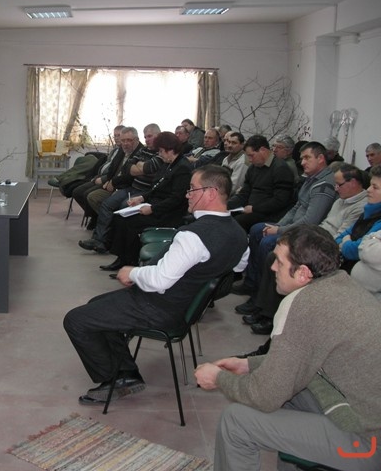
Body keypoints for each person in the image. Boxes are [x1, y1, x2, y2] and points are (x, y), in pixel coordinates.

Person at [195, 225, 381, 471]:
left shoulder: (303, 305)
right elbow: (302, 359)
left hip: (368, 443)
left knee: (236, 422)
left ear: (303, 273)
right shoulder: (341, 285)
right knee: (288, 394)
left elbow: (264, 395)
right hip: (363, 417)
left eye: (280, 262)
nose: (273, 267)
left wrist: (218, 378)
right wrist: (249, 364)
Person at [64, 165, 249, 405]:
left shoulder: (194, 236)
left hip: (160, 307)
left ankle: (115, 379)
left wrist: (133, 272)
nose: (187, 194)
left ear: (211, 193)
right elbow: (238, 268)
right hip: (186, 308)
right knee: (96, 306)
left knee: (76, 320)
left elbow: (160, 281)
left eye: (192, 189)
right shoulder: (239, 234)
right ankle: (126, 372)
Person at [236, 164, 369, 337]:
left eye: (339, 184)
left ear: (354, 183)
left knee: (274, 255)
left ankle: (268, 313)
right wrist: (282, 227)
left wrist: (299, 237)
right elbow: (322, 223)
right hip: (317, 237)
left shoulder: (359, 207)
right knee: (269, 249)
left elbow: (340, 236)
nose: (336, 189)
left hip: (325, 248)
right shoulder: (340, 200)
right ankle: (260, 302)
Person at [231, 141, 337, 334]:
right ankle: (252, 284)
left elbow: (310, 221)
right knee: (257, 229)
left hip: (308, 235)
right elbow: (296, 208)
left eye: (307, 158)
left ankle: (264, 307)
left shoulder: (324, 186)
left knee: (268, 245)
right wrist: (278, 226)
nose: (302, 162)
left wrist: (280, 231)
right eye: (301, 158)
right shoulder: (310, 180)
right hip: (292, 227)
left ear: (321, 158)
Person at [101, 131, 192, 271]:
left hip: (168, 213)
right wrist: (142, 198)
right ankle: (122, 259)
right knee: (119, 218)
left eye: (161, 151)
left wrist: (152, 209)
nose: (159, 154)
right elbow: (156, 187)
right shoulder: (168, 163)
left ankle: (131, 263)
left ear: (170, 150)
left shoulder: (183, 168)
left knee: (131, 223)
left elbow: (176, 199)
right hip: (156, 205)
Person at [226, 135, 296, 232]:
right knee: (223, 216)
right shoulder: (253, 168)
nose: (250, 160)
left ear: (263, 150)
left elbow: (280, 200)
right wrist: (226, 205)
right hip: (250, 209)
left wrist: (254, 208)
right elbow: (244, 194)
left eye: (251, 155)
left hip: (269, 214)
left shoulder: (281, 168)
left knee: (236, 222)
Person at [335, 164, 381, 272]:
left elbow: (357, 250)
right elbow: (342, 236)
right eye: (370, 185)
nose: (368, 190)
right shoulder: (368, 211)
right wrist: (347, 242)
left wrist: (346, 242)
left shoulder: (378, 221)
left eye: (375, 187)